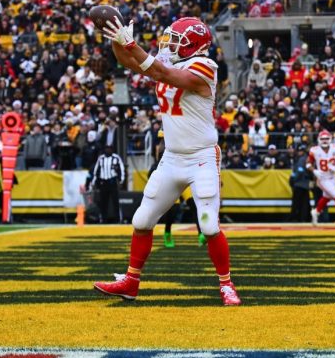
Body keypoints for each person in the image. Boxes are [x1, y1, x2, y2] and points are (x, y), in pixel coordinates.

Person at [94, 16, 240, 306]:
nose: (169, 45)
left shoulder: (205, 66)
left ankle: (227, 285)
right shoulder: (169, 60)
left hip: (201, 157)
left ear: (194, 46)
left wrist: (132, 45)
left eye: (177, 41)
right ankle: (131, 281)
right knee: (142, 219)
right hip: (172, 156)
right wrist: (116, 37)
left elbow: (166, 75)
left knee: (209, 225)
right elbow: (130, 62)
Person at [86, 145, 125, 223]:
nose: (108, 150)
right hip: (103, 182)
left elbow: (122, 169)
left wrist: (121, 181)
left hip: (112, 181)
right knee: (103, 202)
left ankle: (118, 219)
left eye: (109, 149)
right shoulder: (101, 158)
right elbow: (96, 171)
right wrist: (93, 182)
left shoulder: (116, 158)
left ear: (112, 149)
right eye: (106, 149)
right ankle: (103, 219)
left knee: (115, 202)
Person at [289, 145, 311, 222]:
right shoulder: (306, 158)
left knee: (297, 203)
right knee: (305, 203)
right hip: (305, 184)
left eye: (300, 151)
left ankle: (295, 218)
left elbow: (299, 171)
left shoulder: (301, 159)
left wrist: (293, 179)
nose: (299, 152)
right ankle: (304, 218)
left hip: (299, 184)